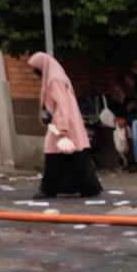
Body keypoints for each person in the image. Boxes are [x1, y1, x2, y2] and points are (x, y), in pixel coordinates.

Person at [26, 52, 101, 199]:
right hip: (69, 124)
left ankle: (48, 189)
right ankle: (89, 188)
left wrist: (62, 128)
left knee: (53, 156)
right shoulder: (60, 77)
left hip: (62, 124)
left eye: (37, 69)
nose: (35, 72)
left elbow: (62, 105)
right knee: (77, 157)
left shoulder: (54, 80)